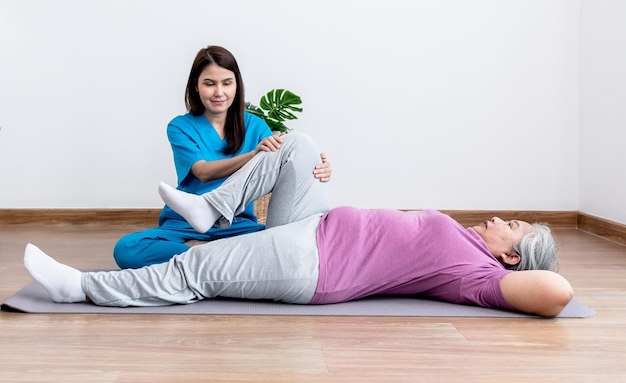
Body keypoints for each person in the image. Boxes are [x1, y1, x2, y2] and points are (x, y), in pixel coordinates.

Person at [23, 133, 574, 317]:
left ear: (510, 258)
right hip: (317, 222)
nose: (501, 218)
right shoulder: (464, 240)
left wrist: (541, 275)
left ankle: (81, 289)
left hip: (314, 262)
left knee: (194, 268)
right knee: (299, 144)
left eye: (514, 227)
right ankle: (209, 207)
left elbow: (555, 292)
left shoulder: (478, 276)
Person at [112, 46, 332, 269]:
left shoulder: (255, 126)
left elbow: (277, 170)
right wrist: (254, 155)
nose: (219, 92)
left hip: (237, 225)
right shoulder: (180, 127)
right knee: (128, 249)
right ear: (196, 86)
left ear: (237, 85)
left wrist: (315, 167)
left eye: (227, 83)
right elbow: (203, 172)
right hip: (185, 226)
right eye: (210, 84)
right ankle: (222, 258)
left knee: (298, 245)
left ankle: (203, 258)